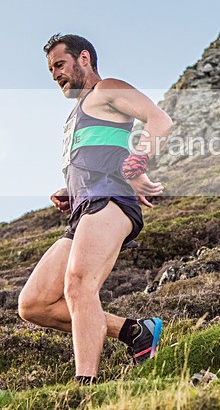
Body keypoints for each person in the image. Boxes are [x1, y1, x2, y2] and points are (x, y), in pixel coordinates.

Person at [18, 34, 173, 384]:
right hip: (85, 205)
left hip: (110, 201)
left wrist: (139, 159)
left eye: (59, 65)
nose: (55, 75)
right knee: (34, 304)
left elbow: (159, 120)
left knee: (78, 286)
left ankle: (84, 384)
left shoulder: (107, 90)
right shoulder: (78, 112)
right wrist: (69, 189)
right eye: (50, 70)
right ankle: (136, 332)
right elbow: (100, 155)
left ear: (83, 58)